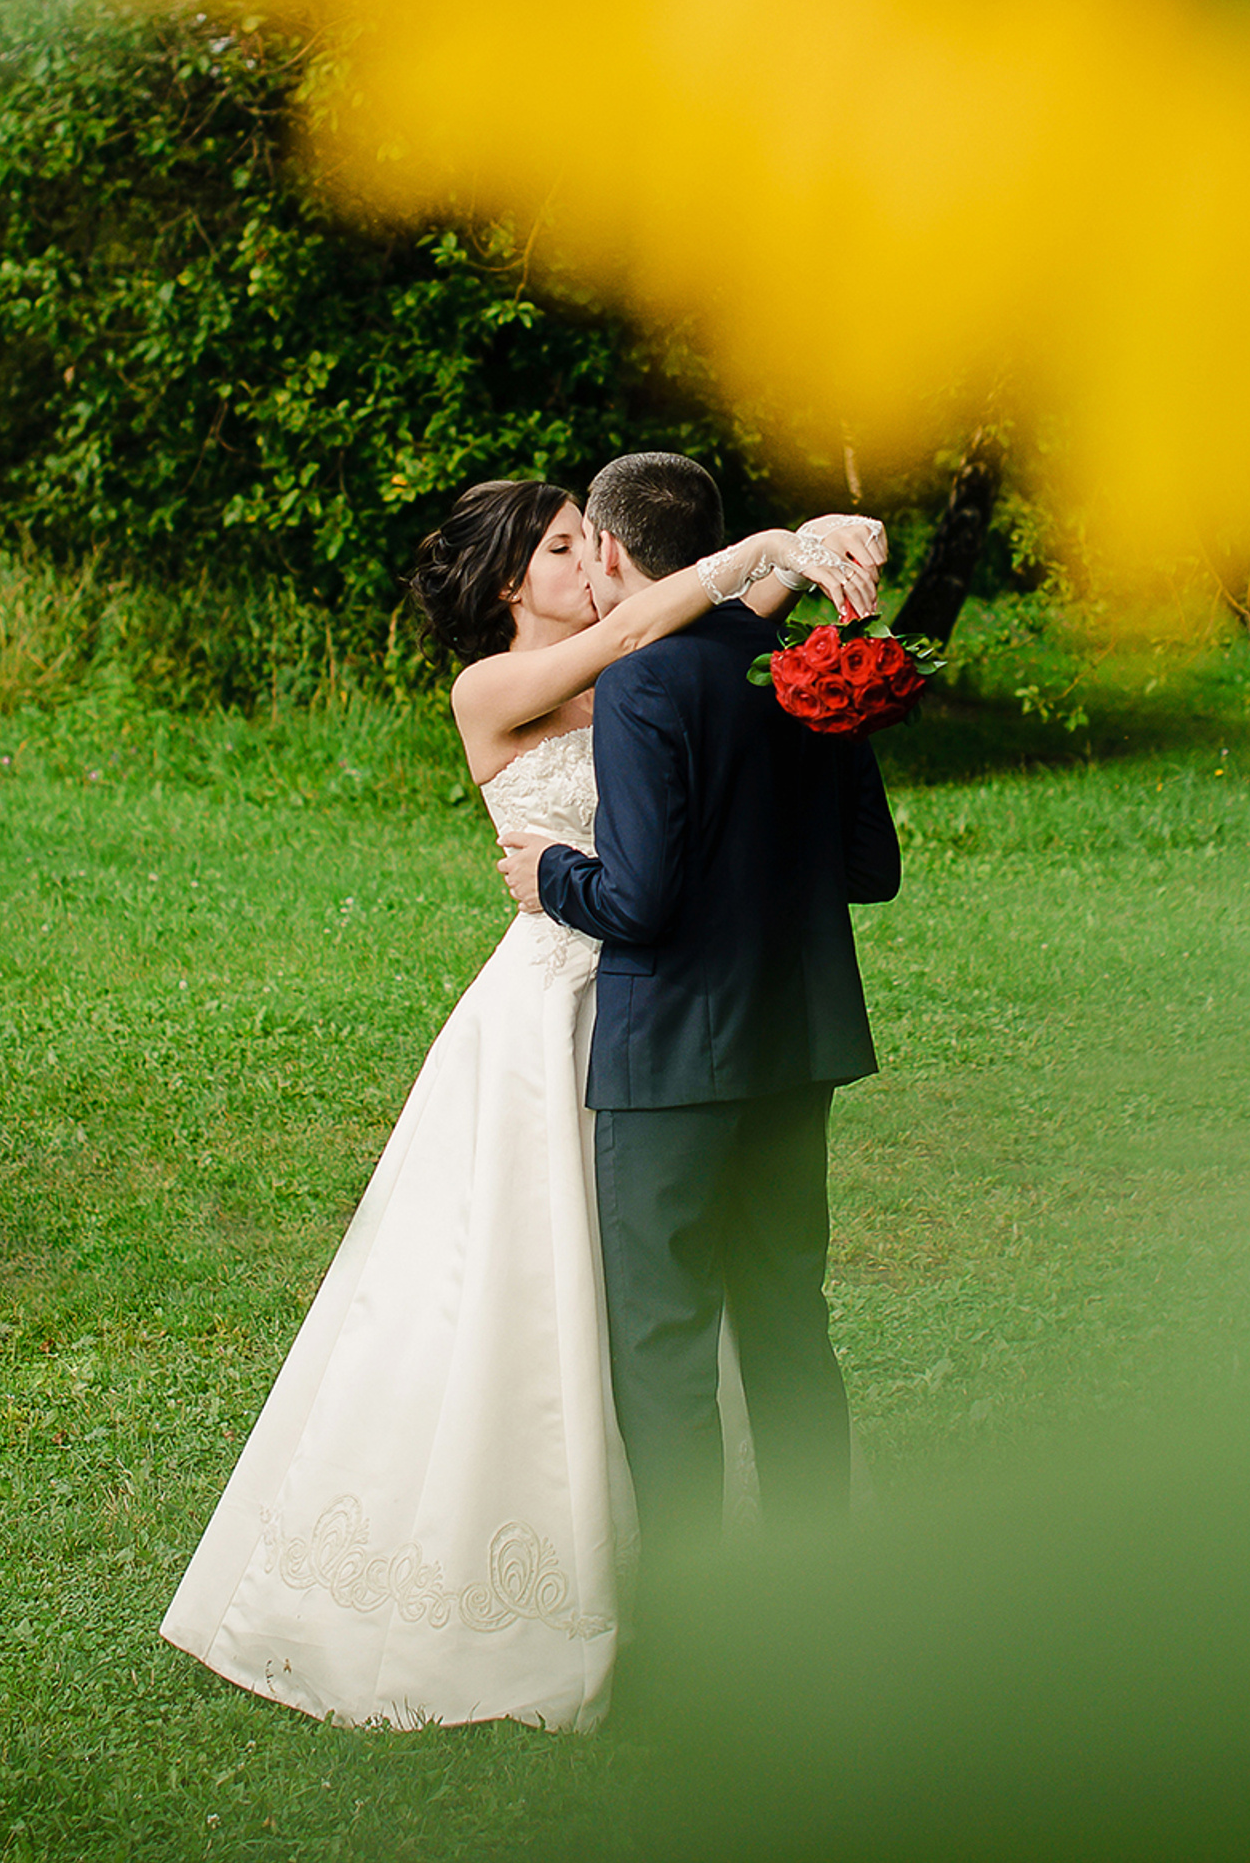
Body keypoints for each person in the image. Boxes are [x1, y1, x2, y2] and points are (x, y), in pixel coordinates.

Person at [158, 473, 885, 1732]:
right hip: (558, 1011)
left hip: (669, 1006)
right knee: (531, 1284)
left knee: (675, 1302)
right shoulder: (492, 686)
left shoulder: (660, 660)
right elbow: (640, 630)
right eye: (558, 547)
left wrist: (832, 548)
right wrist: (763, 547)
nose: (585, 560)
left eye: (585, 539)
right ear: (511, 584)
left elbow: (703, 636)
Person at [497, 452, 903, 1605]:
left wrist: (552, 873)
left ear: (615, 553)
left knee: (664, 1342)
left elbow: (639, 902)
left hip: (671, 1060)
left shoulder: (641, 685)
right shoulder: (796, 668)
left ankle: (690, 1623)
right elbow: (867, 868)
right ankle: (824, 1589)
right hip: (796, 1046)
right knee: (786, 1320)